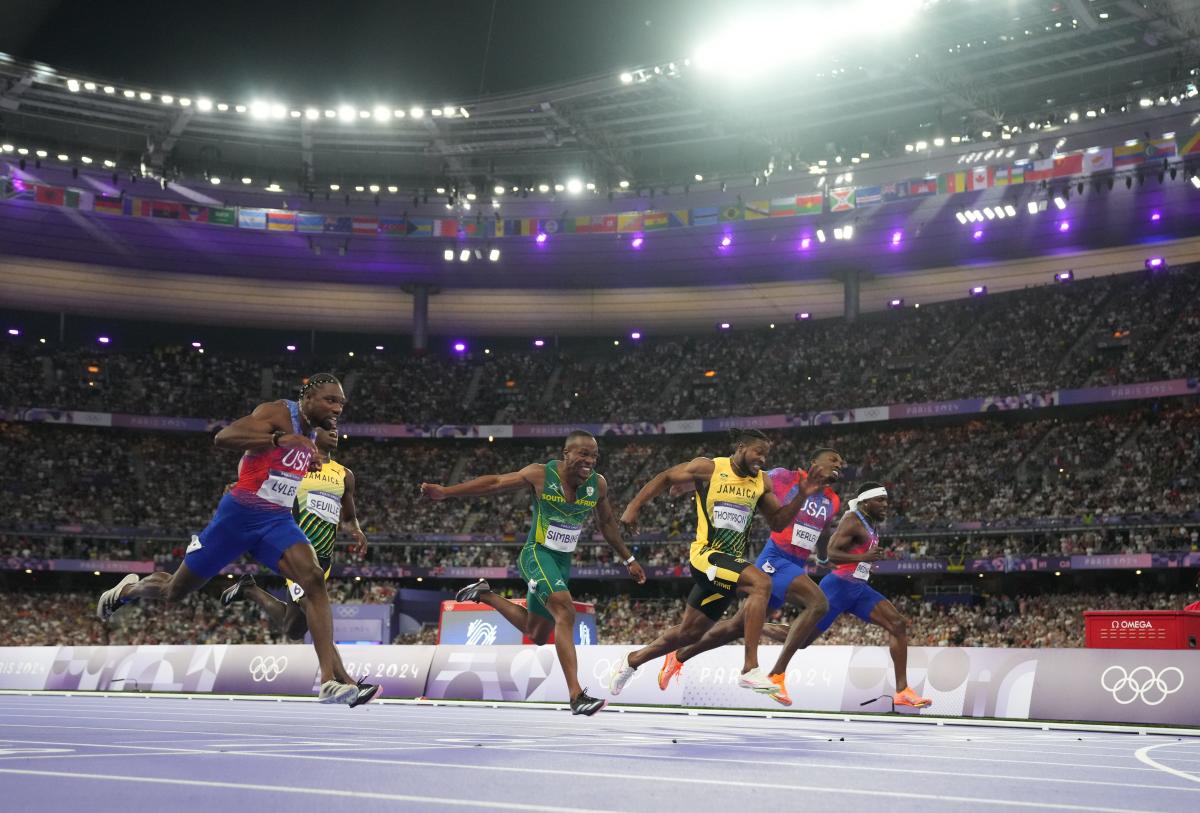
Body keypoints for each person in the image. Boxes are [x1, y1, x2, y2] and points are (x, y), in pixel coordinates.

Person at [97, 374, 376, 707]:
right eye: (331, 400)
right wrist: (281, 440)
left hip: (276, 521)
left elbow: (265, 469)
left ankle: (329, 682)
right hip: (237, 519)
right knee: (174, 591)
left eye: (342, 402)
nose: (338, 408)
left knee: (314, 579)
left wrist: (306, 455)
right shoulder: (277, 412)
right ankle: (128, 590)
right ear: (309, 397)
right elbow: (224, 437)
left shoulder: (314, 436)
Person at [419, 430, 646, 716]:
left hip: (562, 562)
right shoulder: (540, 475)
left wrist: (629, 558)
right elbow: (496, 483)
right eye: (583, 454)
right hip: (536, 555)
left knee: (536, 633)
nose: (589, 460)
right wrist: (447, 492)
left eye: (594, 456)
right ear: (566, 454)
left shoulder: (597, 485)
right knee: (565, 611)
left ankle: (484, 594)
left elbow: (608, 524)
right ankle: (576, 695)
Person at [608, 429, 831, 698]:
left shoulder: (761, 482)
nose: (762, 459)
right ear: (741, 447)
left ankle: (632, 661)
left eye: (766, 454)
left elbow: (778, 522)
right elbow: (666, 477)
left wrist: (801, 495)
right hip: (707, 555)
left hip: (730, 565)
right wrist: (633, 507)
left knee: (689, 634)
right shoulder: (710, 468)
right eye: (758, 451)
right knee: (761, 583)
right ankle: (750, 669)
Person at [655, 448, 845, 705]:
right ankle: (776, 675)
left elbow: (821, 531)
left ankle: (678, 657)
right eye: (833, 460)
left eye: (841, 463)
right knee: (819, 603)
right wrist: (689, 486)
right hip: (775, 560)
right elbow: (740, 480)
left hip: (797, 564)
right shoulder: (785, 477)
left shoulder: (833, 501)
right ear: (814, 462)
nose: (838, 465)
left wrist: (822, 557)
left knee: (734, 628)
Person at [220, 427, 368, 641]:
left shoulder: (345, 475)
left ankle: (250, 589)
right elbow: (262, 483)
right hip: (297, 549)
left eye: (336, 429)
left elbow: (348, 518)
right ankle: (338, 671)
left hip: (324, 556)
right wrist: (241, 489)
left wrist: (356, 529)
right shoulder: (296, 465)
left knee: (294, 629)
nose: (334, 432)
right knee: (314, 609)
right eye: (328, 429)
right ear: (313, 434)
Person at [800, 482, 931, 708]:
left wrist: (866, 562)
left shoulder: (871, 524)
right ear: (865, 502)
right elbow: (832, 553)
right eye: (880, 500)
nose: (885, 505)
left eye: (886, 500)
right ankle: (752, 625)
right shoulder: (852, 519)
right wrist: (863, 558)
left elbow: (859, 554)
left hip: (858, 589)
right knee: (801, 641)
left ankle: (902, 691)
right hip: (838, 587)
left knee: (898, 624)